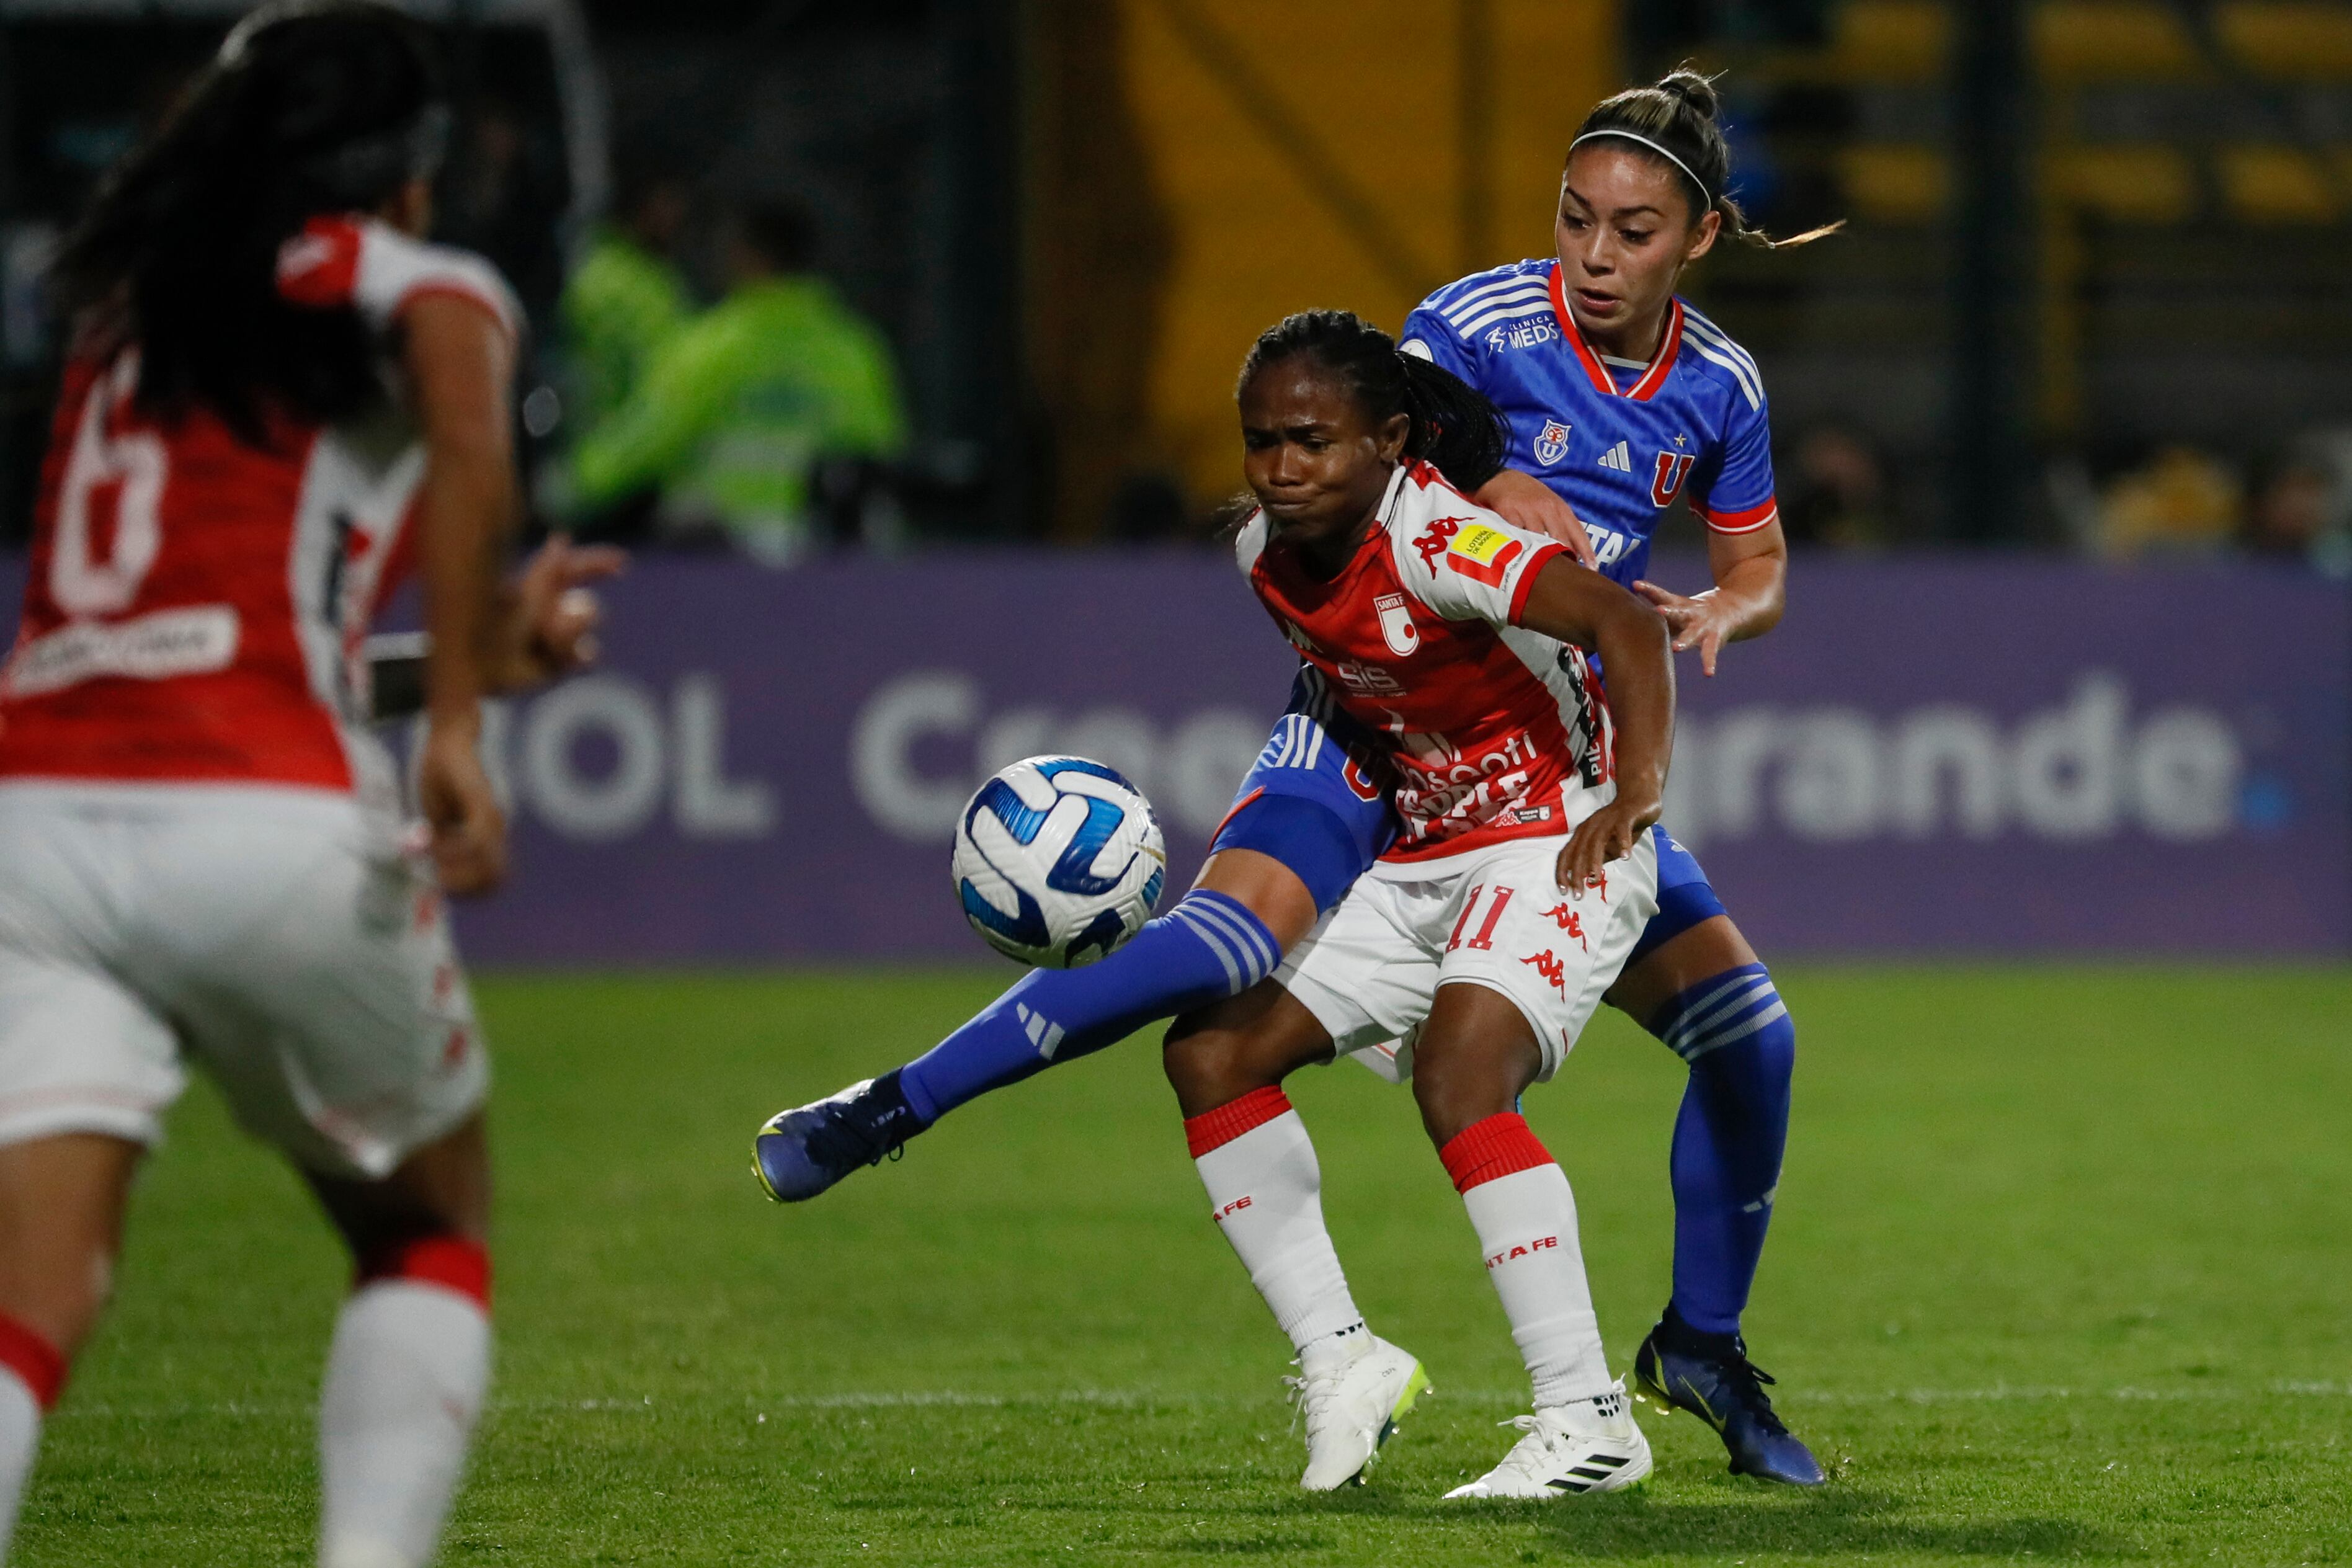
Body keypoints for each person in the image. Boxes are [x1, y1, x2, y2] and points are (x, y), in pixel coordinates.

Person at [756, 68, 1830, 1486]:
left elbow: (1751, 569)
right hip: (1373, 720)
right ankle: (896, 1104)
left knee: (1748, 1035)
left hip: (1522, 738)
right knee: (1217, 963)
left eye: (1631, 231)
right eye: (1574, 218)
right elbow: (1378, 465)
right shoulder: (1470, 326)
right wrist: (1490, 497)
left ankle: (1693, 1344)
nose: (1592, 252)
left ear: (1693, 240)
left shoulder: (1717, 387)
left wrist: (1713, 612)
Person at [0, 6, 615, 1564]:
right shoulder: (423, 289)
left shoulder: (127, 314)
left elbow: (208, 634)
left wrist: (465, 664)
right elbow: (470, 437)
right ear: (409, 170)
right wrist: (466, 715)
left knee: (32, 1301)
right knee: (425, 1221)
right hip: (262, 820)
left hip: (35, 832)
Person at [1162, 310, 1675, 1497]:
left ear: (1390, 441)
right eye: (1260, 442)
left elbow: (1623, 620)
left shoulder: (1441, 535)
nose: (1282, 470)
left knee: (1459, 1076)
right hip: (1425, 854)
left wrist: (1636, 792)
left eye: (1312, 440)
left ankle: (1587, 1417)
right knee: (1212, 1053)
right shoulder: (1260, 556)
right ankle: (1342, 1358)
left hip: (1555, 834)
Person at [567, 198, 907, 561]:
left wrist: (564, 487)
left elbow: (638, 444)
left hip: (718, 565)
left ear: (745, 257)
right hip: (821, 565)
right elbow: (881, 457)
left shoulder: (711, 349)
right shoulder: (856, 352)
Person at [559, 165, 693, 430]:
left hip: (639, 437)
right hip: (616, 440)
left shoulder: (656, 275)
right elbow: (657, 366)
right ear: (641, 205)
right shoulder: (610, 278)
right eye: (667, 202)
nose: (676, 215)